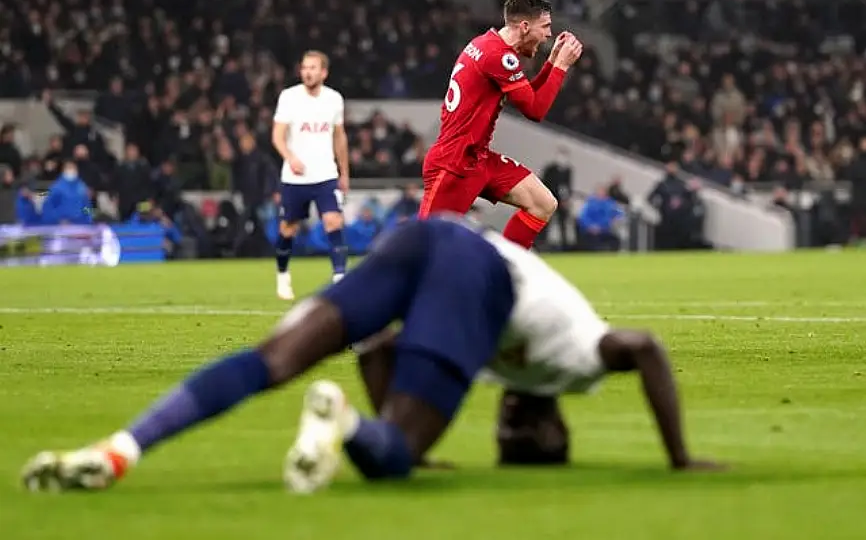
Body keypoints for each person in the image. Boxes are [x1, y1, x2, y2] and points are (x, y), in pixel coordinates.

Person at [21, 215, 719, 495]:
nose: (508, 431)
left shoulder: (521, 360)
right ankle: (349, 427)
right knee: (396, 464)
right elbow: (646, 346)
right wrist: (680, 459)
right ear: (555, 421)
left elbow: (379, 345)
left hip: (420, 239)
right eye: (527, 433)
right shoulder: (574, 360)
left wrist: (394, 417)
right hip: (474, 269)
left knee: (274, 357)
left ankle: (121, 448)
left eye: (508, 438)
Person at [419, 0, 583, 250]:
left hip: (478, 158)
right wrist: (561, 67)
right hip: (455, 164)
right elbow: (535, 110)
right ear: (525, 26)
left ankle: (505, 273)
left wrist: (551, 63)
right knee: (425, 250)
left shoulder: (487, 44)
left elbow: (527, 97)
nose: (549, 35)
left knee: (543, 203)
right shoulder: (499, 56)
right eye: (546, 27)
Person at [271, 50, 350, 300]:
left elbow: (339, 137)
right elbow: (277, 135)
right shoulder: (289, 97)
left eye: (313, 68)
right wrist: (290, 157)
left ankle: (339, 278)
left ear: (324, 72)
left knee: (333, 221)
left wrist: (344, 171)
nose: (308, 72)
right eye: (305, 67)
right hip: (295, 177)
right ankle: (283, 275)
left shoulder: (334, 99)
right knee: (288, 228)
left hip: (325, 174)